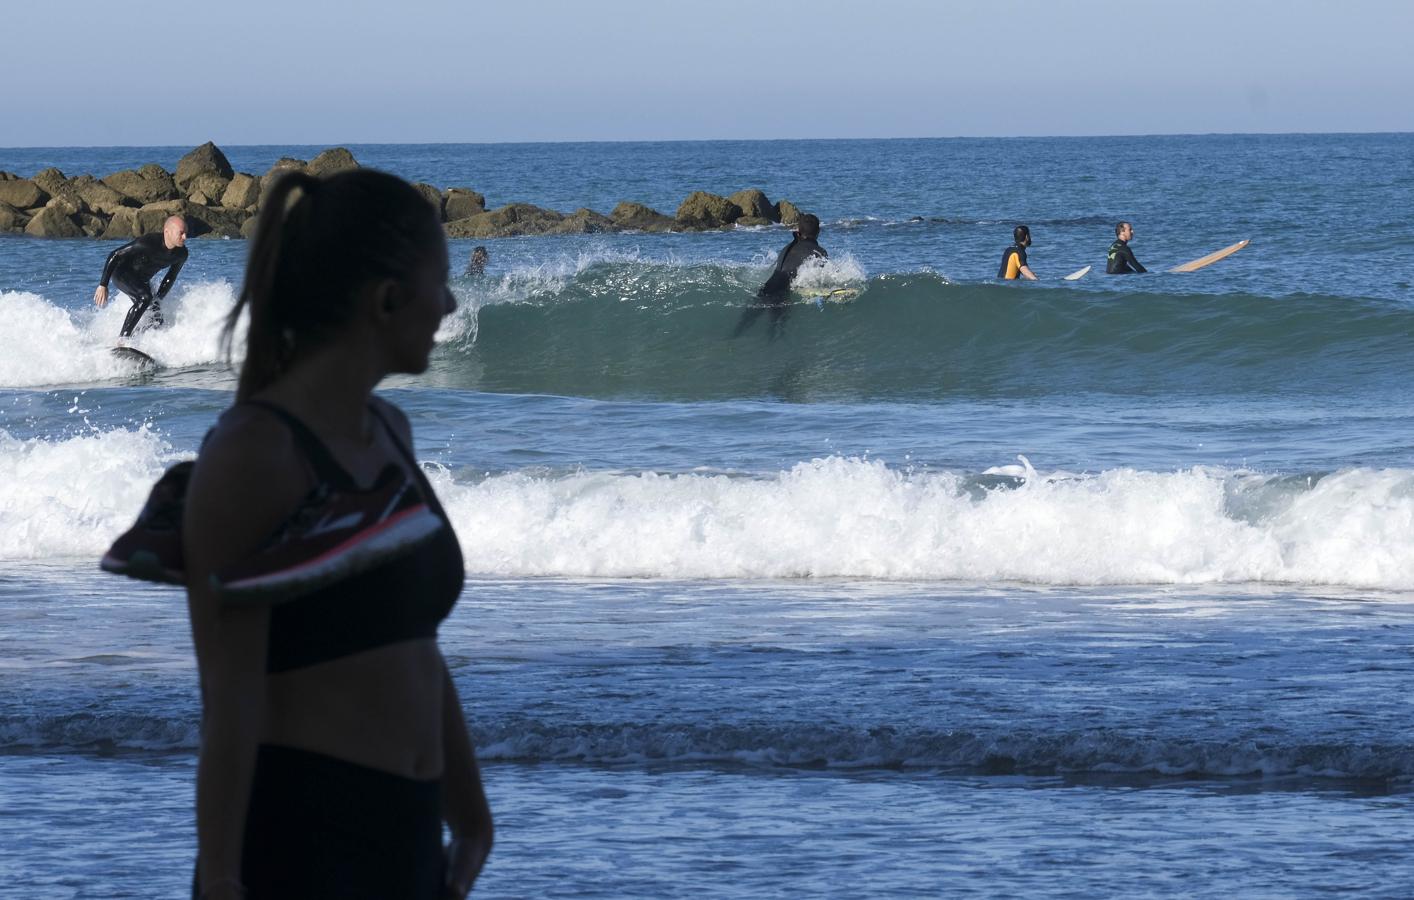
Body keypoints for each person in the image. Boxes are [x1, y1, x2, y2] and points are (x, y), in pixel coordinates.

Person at [180, 170, 492, 899]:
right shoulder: (255, 453)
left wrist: (472, 819)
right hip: (304, 841)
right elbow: (229, 698)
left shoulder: (389, 430)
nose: (449, 305)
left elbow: (415, 640)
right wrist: (222, 879)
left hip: (409, 836)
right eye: (439, 283)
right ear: (385, 299)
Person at [732, 212, 827, 340]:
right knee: (775, 330)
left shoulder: (786, 248)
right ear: (818, 232)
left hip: (768, 287)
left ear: (798, 231)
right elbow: (822, 276)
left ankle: (729, 340)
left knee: (742, 325)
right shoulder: (819, 252)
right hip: (781, 293)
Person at [94, 215, 188, 340]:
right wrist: (103, 285)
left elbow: (170, 277)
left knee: (157, 318)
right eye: (181, 233)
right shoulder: (148, 242)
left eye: (186, 233)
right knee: (145, 297)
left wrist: (158, 298)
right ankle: (122, 339)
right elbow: (115, 255)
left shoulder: (181, 254)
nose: (185, 237)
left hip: (141, 281)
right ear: (167, 231)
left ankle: (136, 339)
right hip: (121, 273)